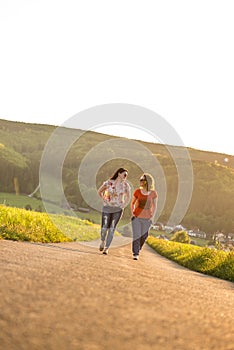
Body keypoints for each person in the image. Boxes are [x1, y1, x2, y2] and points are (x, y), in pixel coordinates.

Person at [97, 167, 131, 255]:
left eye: (126, 175)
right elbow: (99, 192)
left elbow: (128, 196)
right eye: (124, 174)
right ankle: (102, 241)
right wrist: (104, 201)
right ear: (119, 173)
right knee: (104, 228)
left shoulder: (126, 185)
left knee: (112, 229)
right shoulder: (109, 183)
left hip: (118, 209)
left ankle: (106, 248)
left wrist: (123, 205)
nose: (125, 176)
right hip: (107, 208)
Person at [131, 173, 158, 260]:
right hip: (137, 217)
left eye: (142, 180)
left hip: (147, 218)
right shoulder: (137, 192)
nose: (140, 181)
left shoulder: (153, 193)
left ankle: (138, 248)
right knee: (137, 235)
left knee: (144, 236)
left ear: (147, 182)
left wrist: (152, 217)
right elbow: (132, 203)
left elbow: (155, 206)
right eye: (140, 180)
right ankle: (136, 253)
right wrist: (133, 213)